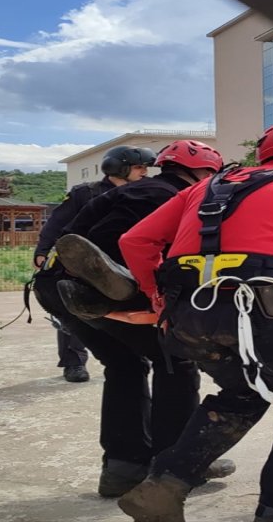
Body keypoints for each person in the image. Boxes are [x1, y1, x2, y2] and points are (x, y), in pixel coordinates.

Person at [115, 122, 273, 522]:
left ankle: (164, 486)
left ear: (263, 156)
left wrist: (157, 298)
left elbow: (134, 241)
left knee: (243, 392)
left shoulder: (207, 186)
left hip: (191, 313)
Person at [48, 140, 238, 498]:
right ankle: (176, 465)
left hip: (58, 290)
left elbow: (67, 234)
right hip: (113, 285)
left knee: (125, 366)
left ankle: (123, 468)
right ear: (203, 172)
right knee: (175, 360)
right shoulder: (186, 197)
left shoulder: (121, 191)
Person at [31, 145, 154, 382]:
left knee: (124, 315)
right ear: (119, 168)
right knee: (76, 310)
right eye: (139, 167)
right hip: (82, 266)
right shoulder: (85, 193)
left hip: (121, 266)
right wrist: (43, 251)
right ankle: (74, 362)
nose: (145, 172)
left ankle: (134, 353)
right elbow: (56, 224)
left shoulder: (145, 193)